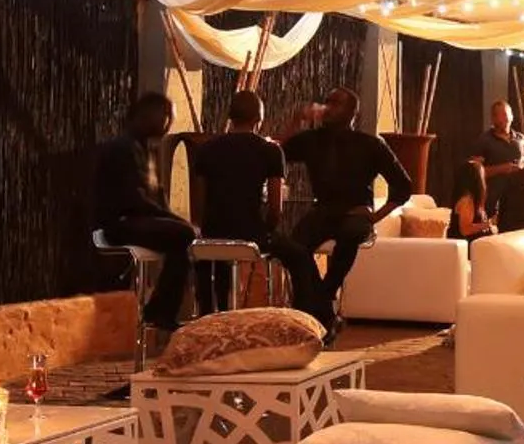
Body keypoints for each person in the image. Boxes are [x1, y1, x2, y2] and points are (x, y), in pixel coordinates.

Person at [276, 87, 413, 337]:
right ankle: (324, 310)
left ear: (351, 112)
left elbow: (403, 185)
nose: (328, 106)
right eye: (327, 101)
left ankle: (320, 299)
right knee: (293, 246)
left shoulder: (369, 144)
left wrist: (376, 216)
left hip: (355, 211)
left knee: (350, 233)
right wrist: (297, 120)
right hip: (323, 209)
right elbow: (277, 154)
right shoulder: (312, 139)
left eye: (335, 103)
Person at [92, 92, 196, 341]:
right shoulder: (123, 148)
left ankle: (162, 309)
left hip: (136, 219)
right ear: (150, 115)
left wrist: (175, 219)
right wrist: (178, 222)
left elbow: (155, 199)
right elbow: (134, 200)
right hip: (119, 223)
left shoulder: (143, 149)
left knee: (184, 239)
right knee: (183, 234)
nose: (169, 123)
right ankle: (160, 310)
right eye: (167, 116)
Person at [188, 89, 286, 313]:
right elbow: (275, 208)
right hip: (250, 235)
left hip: (213, 234)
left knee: (215, 255)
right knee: (297, 255)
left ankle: (208, 314)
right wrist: (267, 230)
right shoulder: (271, 150)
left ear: (230, 118)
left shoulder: (206, 149)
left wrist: (204, 230)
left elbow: (199, 203)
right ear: (259, 120)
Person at [469, 100, 524, 237]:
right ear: (493, 118)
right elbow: (473, 173)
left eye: (505, 114)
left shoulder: (520, 139)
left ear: (511, 116)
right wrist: (503, 168)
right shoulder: (484, 140)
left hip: (518, 201)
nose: (503, 118)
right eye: (498, 115)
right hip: (493, 200)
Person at [446, 154, 499, 242]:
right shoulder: (466, 200)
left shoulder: (473, 199)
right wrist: (489, 224)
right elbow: (465, 230)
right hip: (468, 250)